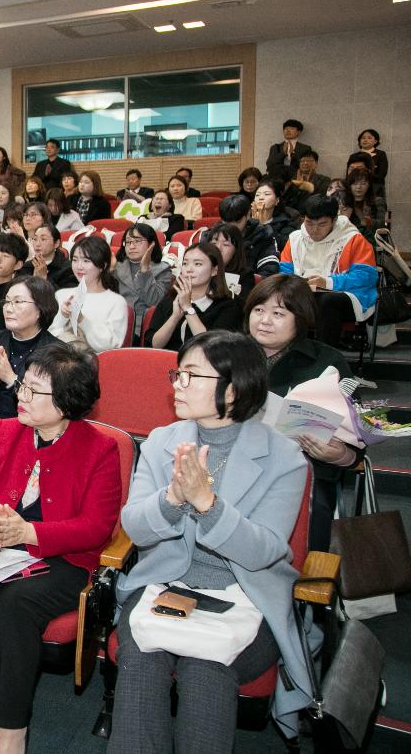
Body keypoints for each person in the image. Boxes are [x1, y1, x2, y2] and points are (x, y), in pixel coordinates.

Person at [110, 330, 310, 753]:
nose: (176, 385)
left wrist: (207, 504)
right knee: (142, 659)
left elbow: (266, 551)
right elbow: (135, 526)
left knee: (206, 669)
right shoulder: (164, 440)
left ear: (233, 389)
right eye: (177, 374)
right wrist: (172, 500)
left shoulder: (284, 457)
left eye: (190, 376)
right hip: (163, 587)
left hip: (245, 598)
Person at [0, 344, 120, 754]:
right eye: (22, 387)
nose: (20, 397)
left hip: (63, 562)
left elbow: (96, 528)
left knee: (16, 604)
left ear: (66, 401)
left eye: (32, 391)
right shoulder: (5, 431)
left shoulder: (100, 449)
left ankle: (12, 729)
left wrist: (28, 533)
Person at [246, 274, 362, 547]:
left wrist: (342, 456)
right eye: (258, 310)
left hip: (304, 468)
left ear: (300, 318)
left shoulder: (327, 361)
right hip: (234, 457)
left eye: (278, 313)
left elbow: (359, 428)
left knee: (312, 511)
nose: (264, 320)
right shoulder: (228, 351)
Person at [0, 278, 64, 424]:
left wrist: (11, 379)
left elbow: (52, 408)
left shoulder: (56, 352)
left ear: (40, 309)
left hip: (27, 428)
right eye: (7, 302)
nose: (8, 308)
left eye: (18, 302)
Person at [279, 194, 377, 346]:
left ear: (334, 220)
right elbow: (284, 271)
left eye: (322, 224)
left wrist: (328, 282)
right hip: (304, 295)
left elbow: (366, 276)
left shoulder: (352, 239)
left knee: (327, 301)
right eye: (309, 223)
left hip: (347, 296)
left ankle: (325, 356)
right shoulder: (295, 239)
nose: (314, 230)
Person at [144, 243, 241, 351]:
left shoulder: (228, 306)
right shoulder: (169, 300)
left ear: (214, 270)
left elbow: (213, 348)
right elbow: (153, 346)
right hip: (166, 365)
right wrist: (175, 317)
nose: (189, 269)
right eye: (185, 263)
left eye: (198, 264)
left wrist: (188, 308)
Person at [50, 236, 128, 352]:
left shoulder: (116, 302)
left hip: (96, 365)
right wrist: (63, 316)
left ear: (103, 265)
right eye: (75, 260)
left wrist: (81, 319)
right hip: (56, 362)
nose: (79, 267)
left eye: (86, 261)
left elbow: (110, 347)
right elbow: (47, 338)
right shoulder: (61, 295)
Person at [113, 223, 172, 341]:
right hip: (115, 324)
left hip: (145, 327)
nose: (132, 246)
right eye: (128, 242)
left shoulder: (163, 269)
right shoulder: (115, 268)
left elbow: (154, 301)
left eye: (137, 241)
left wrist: (145, 270)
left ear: (151, 244)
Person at [249, 182, 298, 263]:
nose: (261, 198)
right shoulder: (246, 220)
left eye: (266, 194)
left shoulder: (286, 223)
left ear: (277, 200)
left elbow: (282, 247)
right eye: (257, 195)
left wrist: (264, 225)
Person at [23, 222, 76, 290]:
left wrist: (44, 278)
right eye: (35, 239)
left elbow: (65, 297)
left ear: (56, 243)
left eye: (43, 239)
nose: (37, 244)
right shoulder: (26, 266)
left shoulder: (68, 269)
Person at [265, 118, 312, 185]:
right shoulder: (275, 147)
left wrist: (292, 154)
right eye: (285, 129)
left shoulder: (305, 148)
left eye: (292, 128)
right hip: (277, 179)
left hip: (296, 179)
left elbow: (306, 166)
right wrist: (283, 153)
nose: (288, 131)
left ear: (299, 132)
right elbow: (269, 164)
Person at [345, 168, 386, 240]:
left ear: (369, 185)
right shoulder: (344, 202)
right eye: (355, 183)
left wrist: (366, 221)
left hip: (370, 238)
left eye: (363, 183)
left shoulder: (378, 201)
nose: (358, 187)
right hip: (347, 237)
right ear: (350, 185)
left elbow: (381, 223)